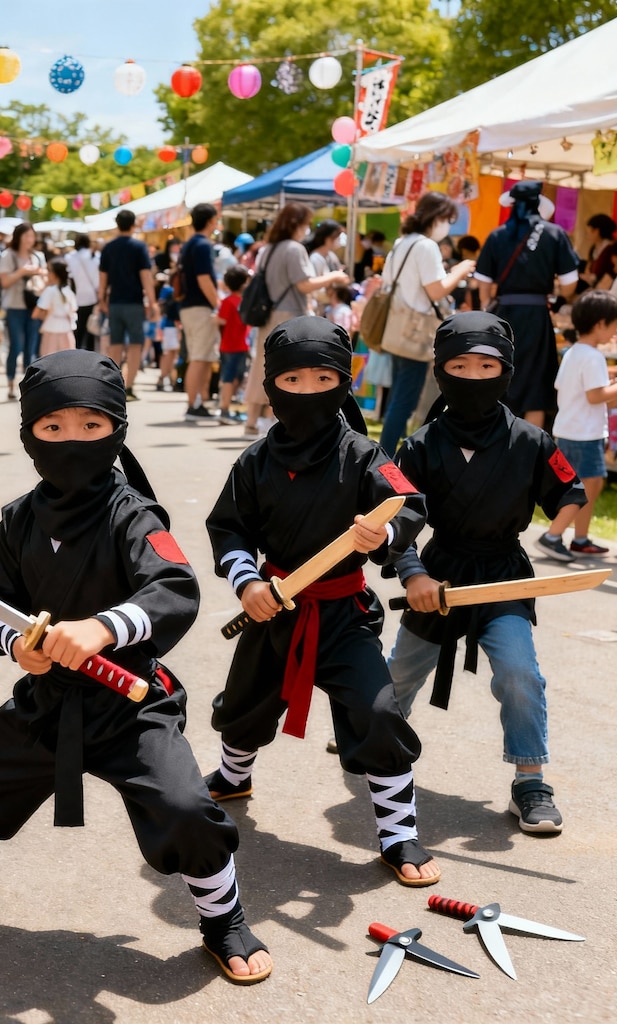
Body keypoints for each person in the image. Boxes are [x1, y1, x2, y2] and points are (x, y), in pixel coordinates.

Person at [0, 349, 273, 984]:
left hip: (131, 700)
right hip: (49, 696)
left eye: (90, 425)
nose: (71, 440)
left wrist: (102, 627)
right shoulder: (18, 519)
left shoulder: (134, 515)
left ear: (116, 430)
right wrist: (15, 642)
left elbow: (174, 587)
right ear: (29, 435)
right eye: (53, 427)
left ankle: (224, 918)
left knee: (186, 810)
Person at [204, 316, 441, 886]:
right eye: (292, 380)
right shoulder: (255, 461)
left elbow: (408, 503)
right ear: (271, 385)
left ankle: (399, 833)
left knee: (377, 712)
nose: (307, 391)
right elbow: (229, 529)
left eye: (322, 379)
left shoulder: (363, 454)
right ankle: (234, 775)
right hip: (273, 606)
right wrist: (248, 583)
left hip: (343, 613)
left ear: (343, 382)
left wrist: (382, 535)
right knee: (244, 704)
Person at [386, 311, 586, 835]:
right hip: (439, 576)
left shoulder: (532, 441)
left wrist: (552, 535)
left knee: (521, 675)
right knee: (400, 675)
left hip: (504, 576)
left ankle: (530, 783)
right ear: (441, 372)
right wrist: (413, 575)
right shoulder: (419, 445)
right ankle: (376, 730)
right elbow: (395, 522)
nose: (472, 376)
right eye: (460, 366)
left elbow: (569, 492)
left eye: (486, 366)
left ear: (506, 372)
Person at [377, 192, 475, 457]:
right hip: (416, 331)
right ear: (436, 217)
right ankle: (386, 458)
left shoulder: (402, 242)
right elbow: (436, 290)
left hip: (396, 326)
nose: (448, 226)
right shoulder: (426, 246)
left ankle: (387, 455)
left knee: (398, 397)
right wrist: (459, 270)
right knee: (404, 401)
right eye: (447, 219)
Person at [475, 181, 580, 427]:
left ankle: (495, 440)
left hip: (502, 317)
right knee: (536, 387)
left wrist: (489, 308)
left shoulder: (497, 235)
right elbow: (570, 285)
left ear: (512, 204)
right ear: (539, 203)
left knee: (499, 377)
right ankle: (530, 446)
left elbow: (484, 287)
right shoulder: (555, 234)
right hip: (537, 317)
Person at [242, 203, 349, 436]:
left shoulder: (268, 249)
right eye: (306, 224)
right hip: (288, 316)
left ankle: (251, 422)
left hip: (268, 315)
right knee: (286, 369)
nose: (307, 229)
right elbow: (305, 284)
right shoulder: (293, 249)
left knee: (262, 367)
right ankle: (274, 422)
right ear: (297, 224)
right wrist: (334, 276)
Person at [538, 290, 617, 559]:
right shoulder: (593, 356)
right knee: (586, 487)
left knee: (585, 486)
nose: (616, 330)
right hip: (584, 435)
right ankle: (553, 536)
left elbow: (573, 386)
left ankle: (580, 539)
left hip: (569, 430)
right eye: (615, 325)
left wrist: (614, 376)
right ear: (600, 323)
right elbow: (595, 395)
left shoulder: (574, 352)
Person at [98, 209, 158, 401]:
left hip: (114, 302)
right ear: (133, 225)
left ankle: (114, 387)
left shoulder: (108, 248)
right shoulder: (139, 247)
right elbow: (145, 276)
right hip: (134, 303)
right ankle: (129, 386)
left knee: (115, 344)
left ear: (117, 225)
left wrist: (101, 299)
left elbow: (103, 277)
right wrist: (153, 302)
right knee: (135, 345)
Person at [179, 202, 223, 421]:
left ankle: (199, 403)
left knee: (201, 357)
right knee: (200, 357)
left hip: (188, 306)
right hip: (200, 307)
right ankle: (193, 405)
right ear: (211, 220)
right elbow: (204, 278)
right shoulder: (203, 245)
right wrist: (218, 304)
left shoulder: (189, 244)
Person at [0, 222, 46, 398]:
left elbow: (46, 280)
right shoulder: (8, 256)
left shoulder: (38, 256)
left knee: (30, 347)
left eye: (31, 236)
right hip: (14, 306)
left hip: (34, 307)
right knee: (15, 346)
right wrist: (22, 272)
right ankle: (11, 384)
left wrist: (39, 274)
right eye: (26, 236)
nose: (29, 240)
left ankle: (29, 386)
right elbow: (3, 282)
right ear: (18, 237)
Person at [215, 265, 250, 421]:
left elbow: (221, 320)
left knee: (231, 377)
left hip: (230, 346)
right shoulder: (241, 302)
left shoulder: (228, 301)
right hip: (238, 346)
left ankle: (226, 407)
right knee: (232, 378)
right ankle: (225, 409)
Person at [33, 258, 77, 357]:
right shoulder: (69, 290)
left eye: (49, 271)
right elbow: (73, 309)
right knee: (67, 359)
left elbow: (36, 313)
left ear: (54, 274)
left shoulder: (50, 290)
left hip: (51, 329)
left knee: (49, 359)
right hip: (67, 330)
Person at [65, 233, 100, 351]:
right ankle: (90, 355)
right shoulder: (95, 257)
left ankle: (77, 353)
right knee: (91, 329)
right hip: (92, 297)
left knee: (78, 329)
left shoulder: (70, 257)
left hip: (75, 298)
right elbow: (98, 279)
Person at [157, 273, 181, 392]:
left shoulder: (169, 291)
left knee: (171, 354)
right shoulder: (173, 292)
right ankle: (165, 379)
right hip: (173, 327)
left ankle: (170, 379)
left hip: (169, 326)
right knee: (171, 354)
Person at [581, 213, 617, 289]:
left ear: (597, 231)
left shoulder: (611, 249)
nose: (587, 233)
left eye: (590, 230)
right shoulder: (594, 248)